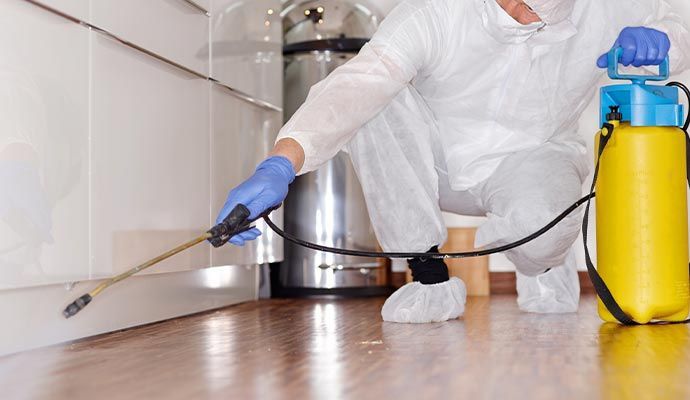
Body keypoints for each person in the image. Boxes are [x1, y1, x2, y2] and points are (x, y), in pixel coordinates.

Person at [217, 0, 690, 323]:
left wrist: (664, 38)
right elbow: (359, 82)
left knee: (540, 233)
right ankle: (429, 276)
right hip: (433, 159)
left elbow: (681, 20)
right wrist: (282, 162)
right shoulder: (438, 10)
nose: (524, 17)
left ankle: (544, 265)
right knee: (379, 100)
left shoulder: (605, 8)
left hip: (537, 154)